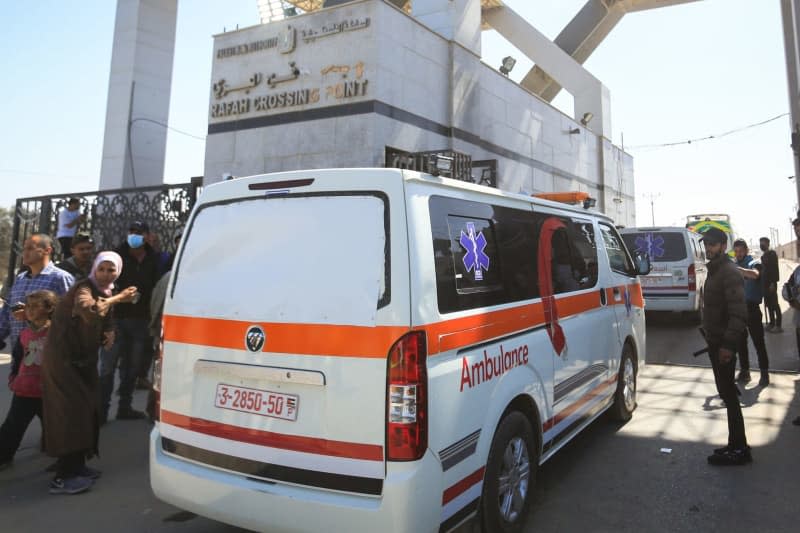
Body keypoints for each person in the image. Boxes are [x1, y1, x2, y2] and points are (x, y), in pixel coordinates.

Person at [41, 252, 137, 495]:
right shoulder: (83, 288)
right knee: (69, 416)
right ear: (94, 269)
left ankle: (78, 466)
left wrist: (111, 331)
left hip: (83, 362)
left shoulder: (104, 291)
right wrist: (119, 299)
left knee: (85, 412)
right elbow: (90, 310)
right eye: (102, 269)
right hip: (64, 363)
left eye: (111, 270)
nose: (106, 274)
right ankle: (63, 476)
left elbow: (106, 320)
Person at [700, 227, 750, 466]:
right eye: (706, 244)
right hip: (715, 341)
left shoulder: (728, 272)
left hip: (724, 344)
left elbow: (739, 313)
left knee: (729, 395)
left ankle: (740, 449)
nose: (708, 248)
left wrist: (728, 346)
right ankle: (735, 444)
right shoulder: (716, 270)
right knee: (726, 393)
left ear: (722, 245)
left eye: (712, 244)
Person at [99, 221, 159, 421]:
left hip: (141, 320)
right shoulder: (117, 256)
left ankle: (124, 407)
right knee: (108, 366)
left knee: (132, 368)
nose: (134, 235)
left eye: (139, 232)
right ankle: (101, 411)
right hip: (115, 319)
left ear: (147, 235)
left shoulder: (155, 257)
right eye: (131, 231)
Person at [0, 290, 58, 470]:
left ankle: (59, 454)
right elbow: (17, 359)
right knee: (12, 427)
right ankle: (3, 456)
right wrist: (13, 378)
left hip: (48, 391)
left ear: (49, 309)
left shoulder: (56, 333)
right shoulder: (24, 334)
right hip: (25, 389)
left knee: (55, 425)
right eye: (28, 307)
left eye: (35, 307)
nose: (30, 311)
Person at [0, 234, 74, 354]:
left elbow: (70, 315)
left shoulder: (60, 278)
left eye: (30, 248)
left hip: (46, 355)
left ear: (47, 250)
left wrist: (32, 315)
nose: (25, 252)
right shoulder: (20, 279)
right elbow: (6, 314)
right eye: (24, 249)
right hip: (19, 355)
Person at [733, 239, 770, 386]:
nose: (738, 254)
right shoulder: (734, 263)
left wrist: (738, 270)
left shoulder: (754, 263)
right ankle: (745, 372)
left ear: (746, 250)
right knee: (741, 343)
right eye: (736, 251)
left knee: (758, 343)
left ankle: (764, 373)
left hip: (752, 309)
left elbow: (755, 275)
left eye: (741, 251)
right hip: (737, 309)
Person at [759, 236, 782, 332]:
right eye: (760, 243)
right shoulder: (763, 256)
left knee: (774, 304)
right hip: (765, 284)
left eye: (763, 243)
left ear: (768, 244)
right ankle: (771, 323)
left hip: (771, 283)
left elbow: (774, 269)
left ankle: (778, 325)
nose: (762, 245)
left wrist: (773, 282)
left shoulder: (772, 254)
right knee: (768, 304)